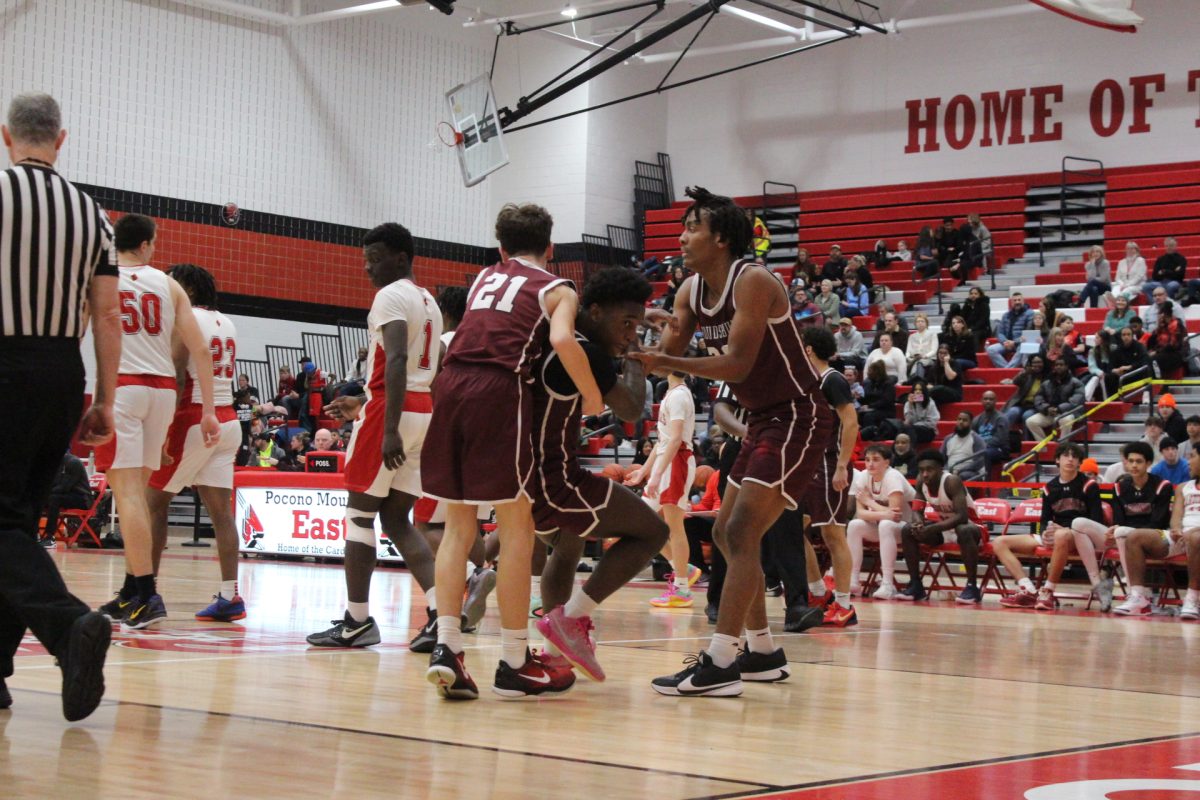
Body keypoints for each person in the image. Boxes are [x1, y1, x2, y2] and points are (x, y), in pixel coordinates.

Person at [628, 186, 833, 697]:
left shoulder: (754, 281)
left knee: (740, 533)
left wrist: (666, 359)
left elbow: (735, 365)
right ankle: (761, 653)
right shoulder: (689, 291)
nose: (680, 237)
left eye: (691, 227)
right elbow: (665, 353)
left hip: (798, 415)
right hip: (761, 418)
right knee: (725, 533)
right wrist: (640, 342)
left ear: (719, 237)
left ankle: (720, 662)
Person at [422, 203, 603, 700]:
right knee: (517, 527)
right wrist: (592, 395)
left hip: (450, 386)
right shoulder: (556, 287)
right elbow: (563, 338)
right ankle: (514, 659)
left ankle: (447, 647)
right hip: (498, 392)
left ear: (500, 247)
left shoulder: (483, 278)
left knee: (458, 527)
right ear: (552, 248)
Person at [0, 92, 120, 720]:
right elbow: (105, 313)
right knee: (14, 525)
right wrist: (102, 396)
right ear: (60, 139)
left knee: (1, 524)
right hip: (60, 370)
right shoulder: (92, 213)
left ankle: (69, 627)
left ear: (5, 135)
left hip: (4, 363)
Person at [302, 223, 449, 654]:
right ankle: (443, 614)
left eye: (376, 258)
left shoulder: (391, 296)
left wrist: (387, 429)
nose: (368, 267)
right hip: (423, 408)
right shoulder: (430, 301)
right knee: (397, 519)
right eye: (366, 258)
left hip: (392, 408)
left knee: (358, 516)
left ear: (401, 258)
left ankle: (357, 621)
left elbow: (398, 358)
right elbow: (434, 361)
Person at [531, 268, 671, 683]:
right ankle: (571, 620)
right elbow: (629, 409)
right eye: (626, 323)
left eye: (636, 325)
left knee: (568, 546)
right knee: (652, 533)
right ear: (593, 311)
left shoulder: (551, 334)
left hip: (526, 471)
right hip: (554, 476)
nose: (630, 332)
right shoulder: (585, 350)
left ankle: (554, 653)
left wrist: (634, 330)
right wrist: (638, 358)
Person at [94, 214, 220, 630]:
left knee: (128, 494)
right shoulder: (169, 285)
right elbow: (200, 350)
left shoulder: (102, 277)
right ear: (147, 244)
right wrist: (205, 409)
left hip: (124, 387)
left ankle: (147, 593)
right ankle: (132, 590)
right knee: (141, 490)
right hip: (163, 391)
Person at [144, 264, 245, 622]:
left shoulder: (185, 320)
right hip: (228, 419)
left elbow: (176, 373)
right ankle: (230, 596)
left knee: (151, 503)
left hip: (194, 418)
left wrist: (162, 429)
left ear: (186, 288)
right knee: (221, 513)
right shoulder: (227, 322)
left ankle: (144, 593)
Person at [799, 326, 859, 627]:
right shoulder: (810, 382)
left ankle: (845, 604)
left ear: (808, 349)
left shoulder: (833, 380)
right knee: (795, 528)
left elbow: (851, 423)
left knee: (833, 534)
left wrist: (842, 465)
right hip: (810, 465)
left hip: (830, 463)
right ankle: (819, 592)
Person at [625, 370, 701, 608]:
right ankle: (683, 569)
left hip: (676, 462)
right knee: (640, 522)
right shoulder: (671, 393)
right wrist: (645, 471)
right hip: (665, 462)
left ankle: (681, 589)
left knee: (674, 526)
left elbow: (676, 439)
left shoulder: (679, 395)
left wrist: (657, 474)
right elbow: (662, 441)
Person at [996, 443, 1101, 610]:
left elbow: (1096, 520)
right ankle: (1028, 590)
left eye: (1075, 457)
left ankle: (1048, 591)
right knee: (999, 542)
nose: (1070, 459)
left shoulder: (1089, 485)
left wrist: (1066, 530)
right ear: (1057, 460)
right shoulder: (1049, 488)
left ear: (1079, 462)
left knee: (1061, 536)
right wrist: (1044, 532)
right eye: (1066, 455)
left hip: (1079, 536)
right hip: (1056, 533)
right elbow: (1044, 519)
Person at [1111, 447, 1200, 619]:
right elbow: (1176, 517)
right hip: (1181, 537)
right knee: (1135, 537)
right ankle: (1139, 597)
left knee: (1196, 538)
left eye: (1193, 457)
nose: (1188, 461)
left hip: (1196, 538)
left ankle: (1193, 598)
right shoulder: (1183, 487)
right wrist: (1176, 530)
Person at [898, 450, 984, 603]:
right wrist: (918, 522)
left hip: (972, 528)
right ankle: (916, 585)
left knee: (963, 530)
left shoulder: (952, 481)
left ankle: (972, 587)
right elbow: (917, 510)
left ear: (940, 469)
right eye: (922, 470)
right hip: (945, 529)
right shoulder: (921, 482)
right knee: (908, 530)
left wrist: (934, 528)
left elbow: (962, 517)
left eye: (929, 470)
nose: (925, 474)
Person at [847, 445, 916, 599]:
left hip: (907, 529)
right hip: (881, 527)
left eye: (876, 460)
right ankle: (853, 581)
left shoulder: (893, 477)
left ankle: (887, 584)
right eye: (867, 460)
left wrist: (869, 502)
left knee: (886, 525)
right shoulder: (863, 476)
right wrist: (881, 512)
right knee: (854, 525)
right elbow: (860, 513)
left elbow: (895, 516)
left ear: (887, 462)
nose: (870, 464)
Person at [40, 451, 92, 548]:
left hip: (82, 498)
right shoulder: (56, 464)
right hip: (65, 495)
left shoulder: (73, 463)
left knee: (54, 498)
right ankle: (33, 534)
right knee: (38, 499)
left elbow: (64, 487)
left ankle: (50, 537)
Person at [1025, 358, 1084, 441]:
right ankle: (1045, 447)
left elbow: (1075, 401)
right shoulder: (1047, 382)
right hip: (1050, 412)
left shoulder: (1076, 383)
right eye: (1056, 365)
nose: (1058, 367)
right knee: (1031, 421)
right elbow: (1038, 398)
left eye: (1061, 365)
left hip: (1067, 412)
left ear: (1067, 367)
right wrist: (1046, 408)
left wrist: (1059, 409)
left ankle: (1062, 446)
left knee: (1066, 420)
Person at [987, 293, 1035, 368]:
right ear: (1011, 302)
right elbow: (1000, 333)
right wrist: (1005, 342)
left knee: (1025, 346)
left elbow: (1029, 332)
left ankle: (1007, 370)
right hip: (1007, 343)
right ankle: (1008, 369)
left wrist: (1014, 342)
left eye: (1019, 300)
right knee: (991, 349)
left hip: (1020, 343)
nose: (1017, 302)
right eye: (1015, 300)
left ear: (1023, 301)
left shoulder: (1030, 313)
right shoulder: (1005, 315)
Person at [1002, 355, 1045, 435]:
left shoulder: (1047, 377)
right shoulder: (1026, 374)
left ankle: (1026, 441)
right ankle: (1000, 436)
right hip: (1022, 404)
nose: (1037, 365)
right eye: (1034, 362)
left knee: (1027, 415)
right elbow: (1016, 382)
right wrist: (1025, 373)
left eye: (1039, 362)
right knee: (1012, 411)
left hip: (1035, 406)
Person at [941, 411, 988, 482]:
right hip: (950, 470)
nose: (961, 422)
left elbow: (979, 462)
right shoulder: (948, 439)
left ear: (970, 423)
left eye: (964, 420)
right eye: (959, 419)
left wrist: (959, 471)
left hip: (971, 472)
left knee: (962, 476)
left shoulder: (976, 439)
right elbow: (941, 458)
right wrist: (946, 470)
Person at [858, 359, 898, 441]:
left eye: (870, 371)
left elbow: (887, 401)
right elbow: (866, 398)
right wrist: (859, 398)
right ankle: (859, 436)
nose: (868, 373)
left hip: (885, 411)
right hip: (870, 408)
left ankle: (870, 437)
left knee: (869, 416)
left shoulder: (888, 384)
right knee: (859, 413)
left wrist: (870, 406)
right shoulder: (868, 383)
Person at [1147, 303, 1188, 382]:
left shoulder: (1176, 324)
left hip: (1176, 354)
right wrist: (1159, 326)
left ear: (1164, 314)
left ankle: (1157, 382)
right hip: (1164, 353)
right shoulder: (1162, 325)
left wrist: (1156, 352)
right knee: (1146, 357)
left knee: (1153, 359)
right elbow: (1155, 341)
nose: (1158, 316)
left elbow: (1174, 345)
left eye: (1159, 313)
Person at [973, 390, 1011, 470]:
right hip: (982, 448)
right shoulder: (977, 419)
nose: (988, 401)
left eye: (991, 399)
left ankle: (986, 480)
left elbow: (1000, 440)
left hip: (999, 449)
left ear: (995, 401)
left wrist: (981, 446)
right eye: (986, 399)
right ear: (981, 401)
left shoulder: (1001, 418)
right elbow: (973, 436)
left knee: (985, 453)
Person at [1107, 241, 1147, 306]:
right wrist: (1122, 284)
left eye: (1132, 248)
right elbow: (1117, 278)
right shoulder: (1121, 262)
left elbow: (1139, 277)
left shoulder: (1141, 261)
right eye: (1128, 249)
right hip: (1123, 285)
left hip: (1136, 285)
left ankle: (1116, 303)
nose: (1130, 250)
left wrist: (1127, 285)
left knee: (1127, 290)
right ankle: (1115, 302)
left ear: (1136, 250)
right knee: (1115, 289)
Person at [900, 380, 939, 445]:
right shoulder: (908, 403)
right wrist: (910, 405)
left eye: (920, 390)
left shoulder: (930, 403)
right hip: (913, 430)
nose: (918, 392)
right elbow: (908, 421)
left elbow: (932, 422)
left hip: (928, 431)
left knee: (910, 429)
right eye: (915, 390)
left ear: (924, 391)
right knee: (904, 429)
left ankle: (909, 450)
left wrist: (916, 425)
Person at [1084, 329, 1117, 401]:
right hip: (1099, 373)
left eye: (1097, 338)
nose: (1094, 340)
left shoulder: (1114, 349)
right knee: (1095, 378)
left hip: (1112, 373)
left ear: (1103, 339)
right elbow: (1092, 367)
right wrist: (1099, 372)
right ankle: (1086, 399)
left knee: (1108, 378)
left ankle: (1108, 400)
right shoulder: (1092, 351)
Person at [905, 312, 937, 381]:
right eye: (918, 321)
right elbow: (908, 351)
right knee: (906, 363)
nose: (920, 323)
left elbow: (934, 350)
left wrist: (924, 356)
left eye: (922, 321)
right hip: (914, 358)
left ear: (926, 323)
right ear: (915, 324)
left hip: (929, 359)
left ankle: (918, 381)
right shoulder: (911, 336)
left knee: (920, 362)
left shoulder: (932, 334)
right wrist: (907, 357)